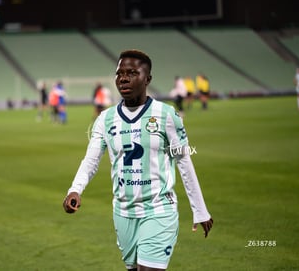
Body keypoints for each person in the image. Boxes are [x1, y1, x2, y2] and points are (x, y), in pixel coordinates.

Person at [63, 49, 213, 271]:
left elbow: (183, 160)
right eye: (119, 73)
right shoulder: (105, 119)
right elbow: (91, 160)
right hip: (123, 212)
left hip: (159, 209)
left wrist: (199, 209)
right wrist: (75, 189)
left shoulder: (167, 115)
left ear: (148, 79)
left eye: (132, 73)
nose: (123, 78)